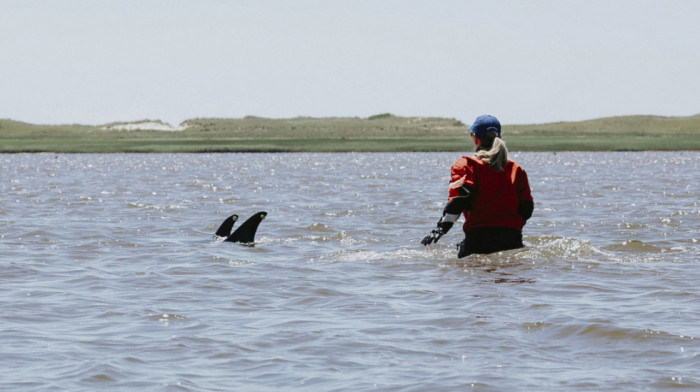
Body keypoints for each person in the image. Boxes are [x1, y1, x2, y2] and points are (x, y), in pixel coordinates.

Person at [421, 114, 534, 258]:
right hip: (512, 239)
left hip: (478, 240)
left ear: (476, 138)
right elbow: (527, 209)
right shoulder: (517, 169)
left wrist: (440, 230)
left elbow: (459, 200)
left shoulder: (467, 165)